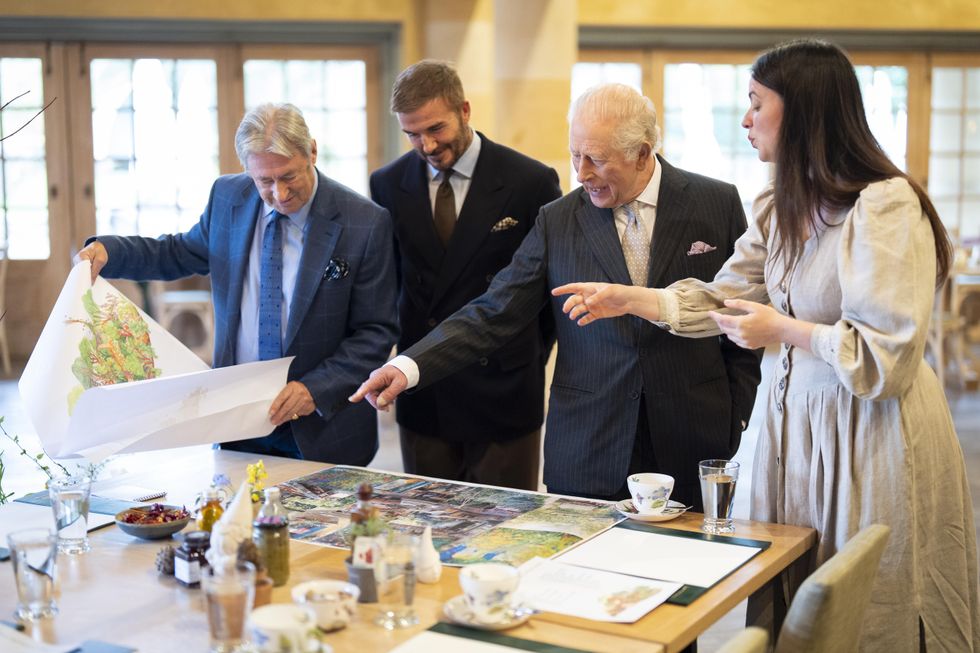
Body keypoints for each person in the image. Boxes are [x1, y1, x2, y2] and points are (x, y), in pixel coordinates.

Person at [553, 40, 979, 651]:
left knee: (866, 602)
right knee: (796, 599)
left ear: (802, 113)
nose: (747, 120)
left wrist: (784, 331)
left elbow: (887, 359)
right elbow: (721, 298)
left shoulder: (883, 205)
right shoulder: (780, 203)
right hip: (795, 436)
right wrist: (630, 298)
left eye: (756, 104)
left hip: (868, 430)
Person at [351, 83, 763, 510]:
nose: (581, 173)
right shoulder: (558, 220)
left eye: (596, 160)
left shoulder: (717, 203)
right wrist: (408, 364)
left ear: (642, 153)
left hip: (691, 437)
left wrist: (736, 412)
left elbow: (742, 309)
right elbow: (494, 312)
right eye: (575, 156)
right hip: (589, 445)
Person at [77, 103, 399, 465]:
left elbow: (375, 332)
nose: (279, 194)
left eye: (289, 176)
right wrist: (111, 251)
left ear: (311, 151)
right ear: (247, 169)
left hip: (322, 427)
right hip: (237, 420)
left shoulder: (365, 222)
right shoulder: (228, 198)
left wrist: (314, 389)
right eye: (264, 181)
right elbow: (178, 252)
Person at [369, 60, 562, 491]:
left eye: (435, 128)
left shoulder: (529, 181)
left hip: (504, 391)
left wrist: (524, 356)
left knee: (508, 531)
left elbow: (549, 292)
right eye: (412, 134)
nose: (426, 144)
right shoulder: (386, 184)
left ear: (465, 110)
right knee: (427, 528)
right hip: (424, 390)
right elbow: (392, 284)